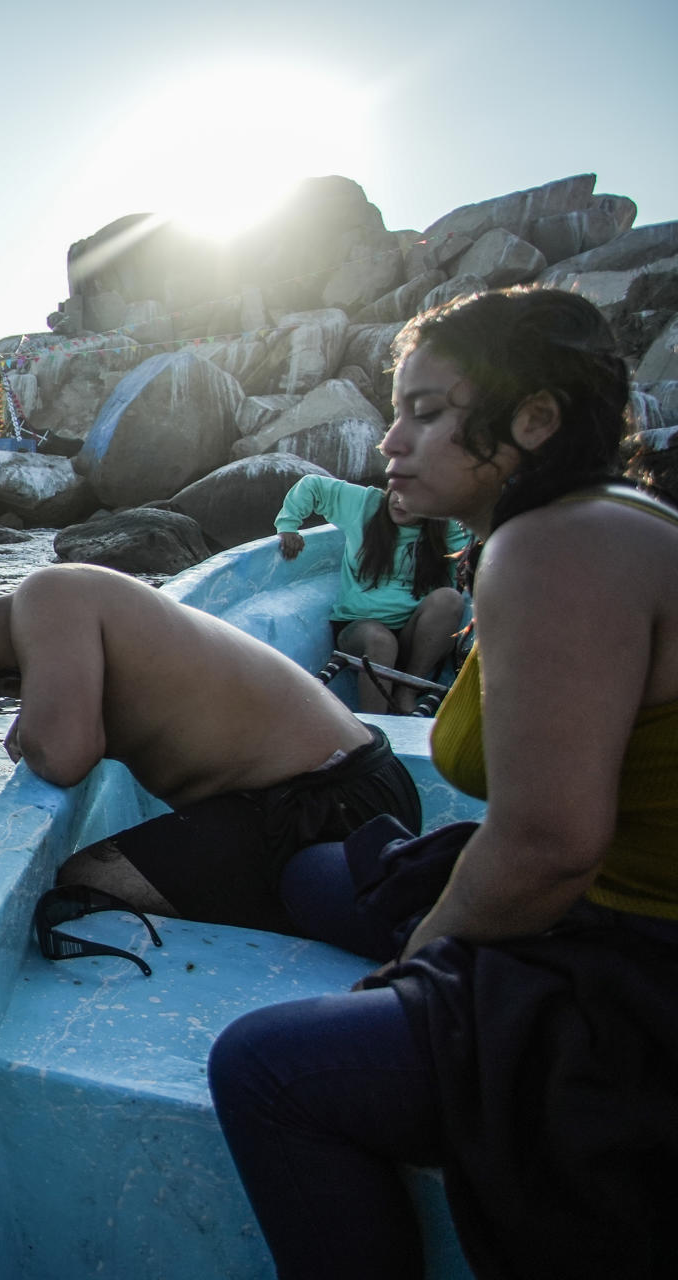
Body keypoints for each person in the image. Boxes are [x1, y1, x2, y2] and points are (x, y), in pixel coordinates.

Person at [208, 286, 678, 1279]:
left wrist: (419, 960)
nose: (391, 439)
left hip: (639, 960)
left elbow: (549, 845)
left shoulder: (557, 547)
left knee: (264, 1067)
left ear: (535, 420)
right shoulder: (593, 525)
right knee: (314, 877)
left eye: (427, 410)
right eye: (397, 409)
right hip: (603, 906)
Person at [0, 561, 421, 935]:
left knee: (89, 881)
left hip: (331, 800)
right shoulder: (36, 635)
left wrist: (34, 728)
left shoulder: (48, 595)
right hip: (323, 789)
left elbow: (66, 754)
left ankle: (365, 897)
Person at [274, 474, 470, 713]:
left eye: (410, 496)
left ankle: (407, 691)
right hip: (359, 629)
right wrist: (288, 525)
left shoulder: (446, 526)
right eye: (395, 492)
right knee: (381, 641)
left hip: (413, 635)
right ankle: (375, 724)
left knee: (449, 599)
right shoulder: (364, 504)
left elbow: (481, 549)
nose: (398, 501)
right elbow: (313, 485)